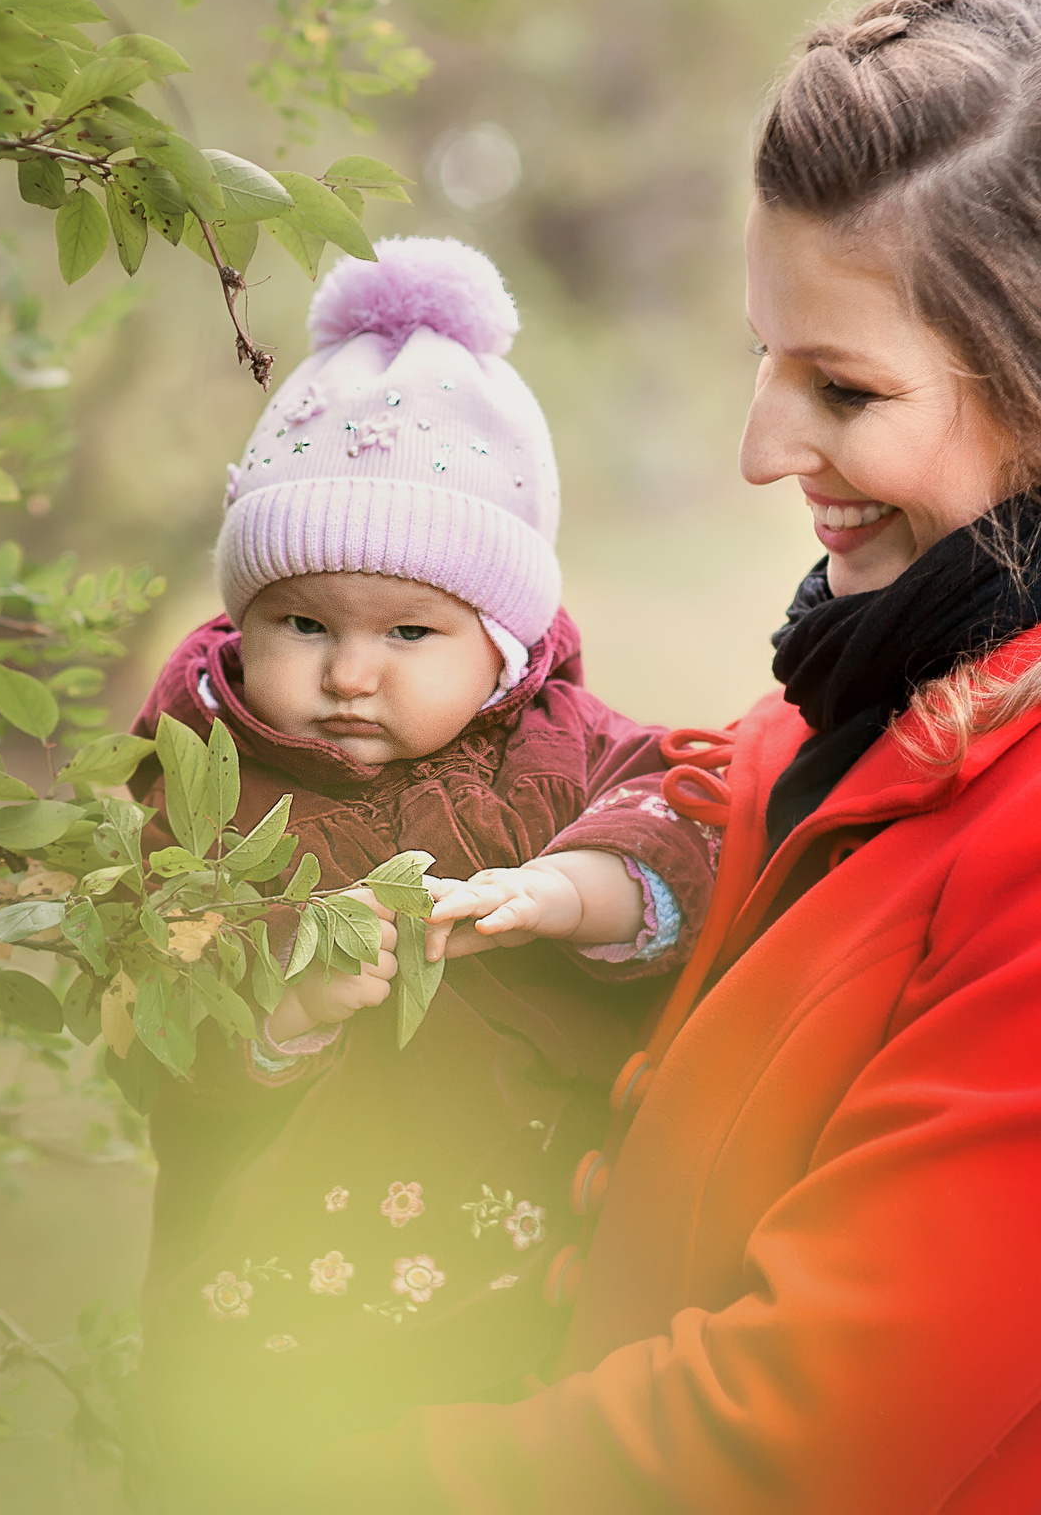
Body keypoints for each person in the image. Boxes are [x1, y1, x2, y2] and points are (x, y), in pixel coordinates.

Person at [294, 0, 1041, 1514]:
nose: (762, 452)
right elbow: (689, 810)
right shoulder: (902, 665)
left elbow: (808, 1430)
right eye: (766, 360)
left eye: (844, 388)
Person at [125, 238, 721, 1497]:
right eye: (304, 625)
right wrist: (282, 1009)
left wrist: (561, 893)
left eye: (410, 632)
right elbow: (155, 1032)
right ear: (245, 620)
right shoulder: (205, 789)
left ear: (500, 645)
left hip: (536, 1292)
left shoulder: (558, 750)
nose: (351, 674)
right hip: (280, 1313)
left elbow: (680, 827)